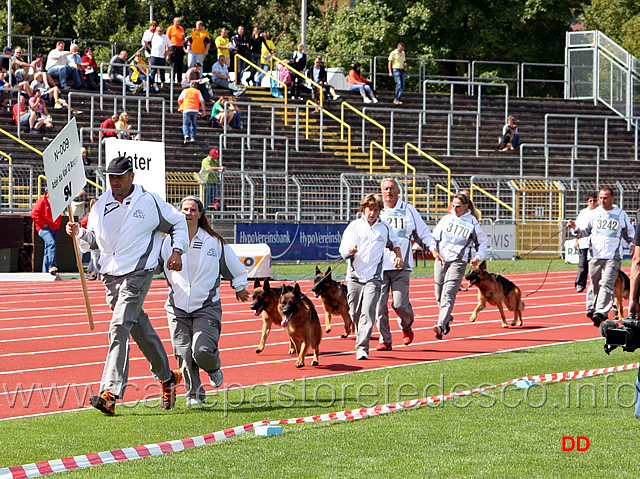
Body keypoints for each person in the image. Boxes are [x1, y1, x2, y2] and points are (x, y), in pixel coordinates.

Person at [65, 155, 189, 415]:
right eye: (111, 177)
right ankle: (168, 377)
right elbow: (95, 241)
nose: (115, 182)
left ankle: (110, 393)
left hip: (138, 274)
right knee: (139, 329)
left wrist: (177, 250)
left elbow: (177, 222)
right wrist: (78, 232)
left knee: (118, 327)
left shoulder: (150, 201)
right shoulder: (100, 205)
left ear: (132, 176)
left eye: (120, 176)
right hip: (110, 277)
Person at [161, 196, 249, 405]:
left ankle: (213, 367)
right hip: (177, 306)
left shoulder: (213, 241)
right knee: (183, 353)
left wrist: (240, 286)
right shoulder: (167, 242)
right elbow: (151, 265)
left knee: (201, 350)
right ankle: (194, 395)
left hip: (206, 305)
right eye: (184, 210)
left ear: (200, 214)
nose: (188, 213)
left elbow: (233, 265)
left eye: (193, 210)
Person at [375, 178, 443, 350]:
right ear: (381, 191)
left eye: (391, 188)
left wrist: (433, 250)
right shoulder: (376, 211)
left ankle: (406, 326)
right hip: (378, 267)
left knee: (399, 304)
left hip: (401, 267)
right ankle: (385, 339)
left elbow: (424, 233)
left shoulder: (408, 210)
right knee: (379, 306)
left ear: (398, 191)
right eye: (385, 189)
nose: (388, 191)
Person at [339, 194, 403, 360]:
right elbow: (342, 250)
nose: (372, 213)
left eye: (375, 210)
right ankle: (361, 337)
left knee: (368, 312)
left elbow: (395, 244)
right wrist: (350, 250)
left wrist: (398, 256)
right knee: (354, 312)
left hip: (374, 278)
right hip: (354, 277)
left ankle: (362, 348)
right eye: (369, 210)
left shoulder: (384, 228)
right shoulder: (354, 227)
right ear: (363, 209)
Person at [567, 187, 635, 326]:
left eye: (605, 198)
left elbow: (629, 232)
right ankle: (592, 308)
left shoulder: (620, 214)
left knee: (608, 282)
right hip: (595, 254)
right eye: (600, 198)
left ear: (612, 199)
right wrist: (574, 228)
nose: (602, 201)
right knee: (595, 282)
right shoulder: (594, 214)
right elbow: (584, 231)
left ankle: (601, 311)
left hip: (613, 255)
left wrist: (633, 243)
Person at [431, 193, 488, 339]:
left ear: (466, 207)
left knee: (448, 293)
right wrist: (434, 250)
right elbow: (434, 237)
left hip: (459, 261)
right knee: (438, 292)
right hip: (441, 259)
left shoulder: (472, 223)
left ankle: (440, 325)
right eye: (453, 205)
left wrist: (477, 257)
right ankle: (447, 317)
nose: (455, 209)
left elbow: (482, 243)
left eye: (458, 206)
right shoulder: (446, 219)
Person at [31, 190, 61, 275]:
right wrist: (42, 224)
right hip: (45, 228)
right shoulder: (42, 201)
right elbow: (33, 214)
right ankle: (52, 265)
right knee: (51, 243)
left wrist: (56, 224)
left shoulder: (55, 202)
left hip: (53, 227)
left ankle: (45, 271)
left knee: (48, 248)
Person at [574, 193, 598, 292]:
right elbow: (578, 228)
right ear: (587, 202)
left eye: (594, 201)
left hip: (596, 243)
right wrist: (577, 240)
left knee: (596, 265)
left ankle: (595, 284)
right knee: (583, 264)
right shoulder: (583, 213)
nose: (592, 203)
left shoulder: (599, 212)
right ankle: (580, 283)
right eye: (590, 201)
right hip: (584, 242)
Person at [149, 25, 172, 91]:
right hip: (154, 56)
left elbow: (170, 45)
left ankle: (163, 82)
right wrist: (150, 49)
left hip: (162, 56)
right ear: (156, 30)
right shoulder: (153, 35)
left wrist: (167, 53)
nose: (161, 32)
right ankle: (152, 82)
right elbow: (145, 41)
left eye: (162, 31)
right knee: (153, 70)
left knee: (162, 70)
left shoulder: (165, 37)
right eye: (159, 31)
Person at [166, 17, 186, 84]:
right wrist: (167, 49)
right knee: (173, 63)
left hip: (180, 47)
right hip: (173, 47)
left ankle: (179, 79)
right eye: (176, 22)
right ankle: (172, 79)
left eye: (179, 22)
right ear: (174, 22)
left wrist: (184, 42)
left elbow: (183, 38)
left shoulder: (181, 28)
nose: (178, 23)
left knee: (180, 64)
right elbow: (167, 39)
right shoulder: (170, 28)